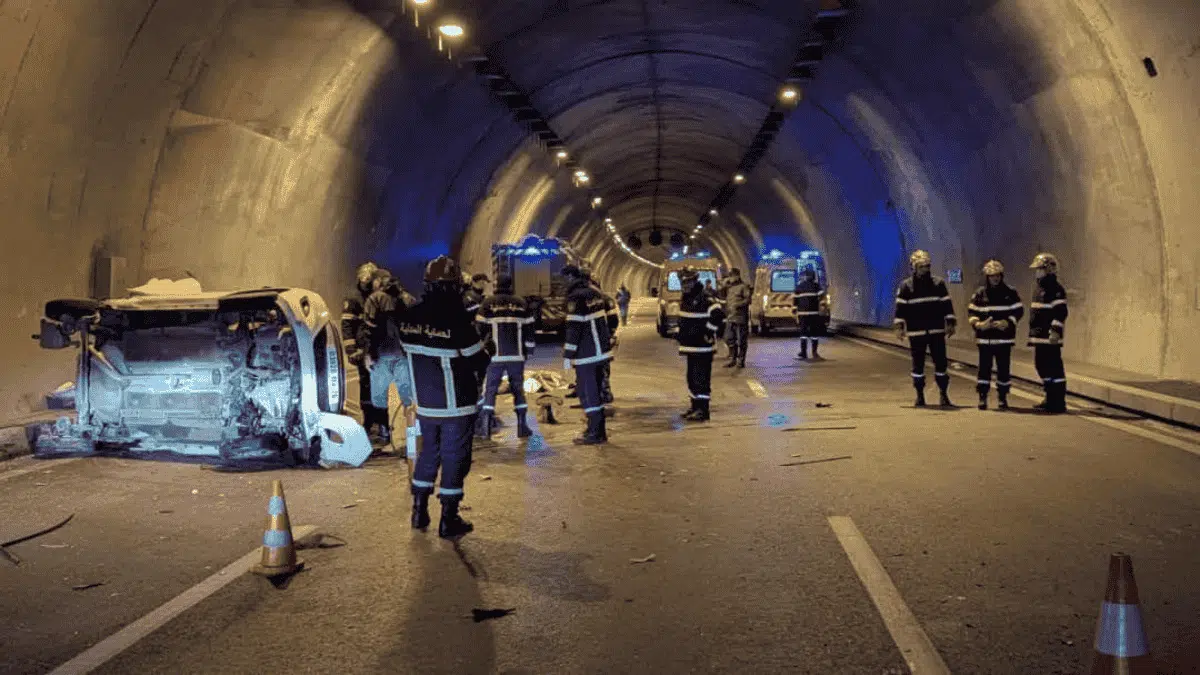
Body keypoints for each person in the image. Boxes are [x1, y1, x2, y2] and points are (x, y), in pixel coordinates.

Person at [397, 256, 490, 538]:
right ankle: (449, 519)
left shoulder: (409, 318)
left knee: (428, 453)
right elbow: (478, 359)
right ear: (454, 286)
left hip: (426, 405)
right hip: (456, 405)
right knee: (455, 457)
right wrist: (488, 349)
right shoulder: (457, 320)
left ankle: (419, 511)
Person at [893, 250, 957, 407]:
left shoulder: (938, 284)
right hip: (917, 332)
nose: (925, 270)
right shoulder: (906, 286)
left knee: (941, 363)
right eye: (921, 267)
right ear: (914, 268)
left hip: (936, 330)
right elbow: (900, 309)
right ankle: (920, 395)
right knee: (918, 365)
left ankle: (943, 394)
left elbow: (946, 305)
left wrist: (950, 323)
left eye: (927, 266)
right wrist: (899, 327)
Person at [476, 275, 537, 439]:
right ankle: (522, 426)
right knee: (518, 390)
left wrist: (481, 349)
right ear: (511, 285)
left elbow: (479, 328)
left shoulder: (488, 303)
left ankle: (486, 427)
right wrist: (529, 350)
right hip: (516, 356)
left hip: (494, 356)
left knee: (490, 390)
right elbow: (530, 329)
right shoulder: (521, 303)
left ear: (497, 285)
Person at [361, 269, 417, 450]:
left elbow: (369, 328)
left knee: (379, 399)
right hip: (404, 354)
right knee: (408, 397)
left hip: (382, 354)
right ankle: (411, 438)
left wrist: (368, 353)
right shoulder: (408, 299)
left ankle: (387, 436)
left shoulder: (374, 299)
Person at [561, 264, 616, 444]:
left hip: (587, 354)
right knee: (596, 392)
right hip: (601, 352)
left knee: (587, 393)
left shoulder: (575, 298)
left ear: (570, 277)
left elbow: (574, 329)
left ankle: (594, 433)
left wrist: (568, 355)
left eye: (564, 279)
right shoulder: (595, 294)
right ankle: (599, 431)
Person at [967, 260, 1024, 410]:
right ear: (987, 277)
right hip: (985, 340)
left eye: (997, 275)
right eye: (992, 276)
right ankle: (982, 396)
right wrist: (979, 325)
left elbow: (1018, 311)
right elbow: (972, 312)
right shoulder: (979, 293)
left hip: (1004, 340)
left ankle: (1002, 397)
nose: (995, 278)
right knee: (984, 369)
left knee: (1003, 369)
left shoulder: (1010, 292)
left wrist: (1008, 322)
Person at [676, 267, 726, 421]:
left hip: (702, 348)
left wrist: (708, 332)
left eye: (687, 282)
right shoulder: (687, 298)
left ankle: (703, 410)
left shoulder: (705, 297)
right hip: (691, 347)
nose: (684, 286)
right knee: (691, 379)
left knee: (701, 379)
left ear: (694, 281)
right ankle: (694, 406)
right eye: (682, 282)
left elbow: (718, 316)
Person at [343, 262, 384, 438]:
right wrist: (351, 350)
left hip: (377, 349)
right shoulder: (354, 299)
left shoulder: (379, 297)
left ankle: (382, 422)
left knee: (380, 386)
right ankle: (369, 421)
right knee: (366, 388)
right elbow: (347, 325)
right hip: (362, 351)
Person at [1028, 252, 1069, 413]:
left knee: (1054, 369)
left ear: (1049, 269)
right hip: (1039, 337)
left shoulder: (1055, 289)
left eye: (1040, 269)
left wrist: (1055, 331)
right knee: (1041, 366)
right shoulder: (1039, 289)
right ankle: (1050, 396)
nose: (1037, 272)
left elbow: (1061, 312)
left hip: (1050, 337)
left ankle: (1058, 401)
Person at [722, 268, 751, 368]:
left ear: (737, 276)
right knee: (728, 338)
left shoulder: (744, 287)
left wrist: (738, 305)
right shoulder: (729, 288)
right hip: (730, 317)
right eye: (730, 276)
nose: (731, 278)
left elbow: (748, 300)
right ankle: (733, 359)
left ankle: (741, 361)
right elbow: (721, 294)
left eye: (732, 276)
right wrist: (724, 285)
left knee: (741, 340)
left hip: (740, 317)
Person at [794, 266, 824, 360]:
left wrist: (795, 310)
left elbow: (795, 300)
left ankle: (803, 353)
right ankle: (814, 353)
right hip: (814, 313)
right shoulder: (816, 286)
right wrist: (818, 303)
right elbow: (822, 295)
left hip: (802, 314)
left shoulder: (799, 286)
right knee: (814, 334)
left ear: (805, 277)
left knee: (803, 333)